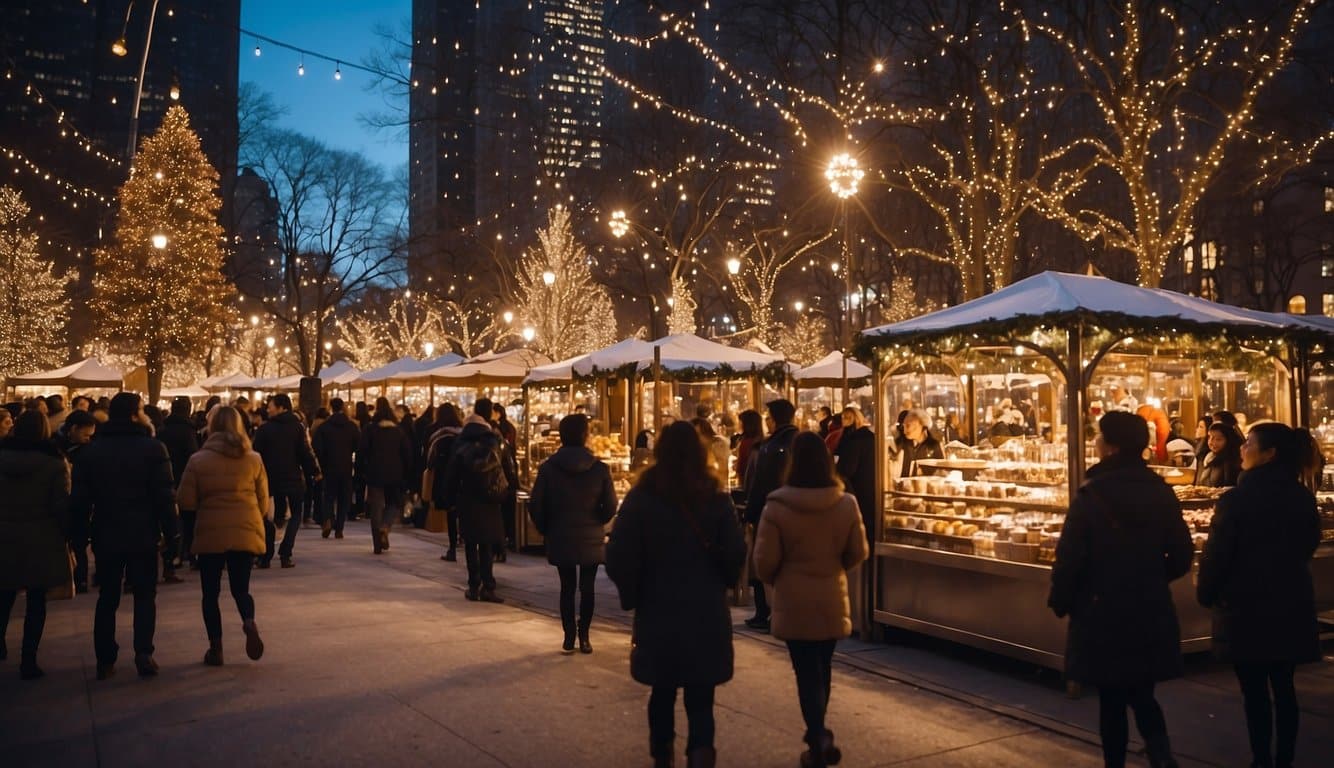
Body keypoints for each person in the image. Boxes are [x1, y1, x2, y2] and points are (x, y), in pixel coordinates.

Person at [1048, 411, 1193, 768]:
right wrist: (1150, 577)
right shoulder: (1160, 489)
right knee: (1143, 693)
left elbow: (1070, 557)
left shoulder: (1091, 493)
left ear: (1110, 446)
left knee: (1111, 698)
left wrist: (1062, 599)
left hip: (1102, 610)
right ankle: (1161, 756)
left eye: (1098, 437)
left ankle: (1115, 762)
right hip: (1149, 605)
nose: (1095, 442)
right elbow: (1182, 553)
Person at [606, 421, 746, 768]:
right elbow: (736, 552)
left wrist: (634, 592)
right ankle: (700, 754)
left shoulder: (642, 497)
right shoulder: (716, 497)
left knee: (663, 690)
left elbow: (617, 554)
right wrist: (723, 582)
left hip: (658, 609)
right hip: (705, 611)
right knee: (701, 696)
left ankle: (662, 753)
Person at [1197, 423, 1321, 768]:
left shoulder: (1236, 500)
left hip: (1245, 606)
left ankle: (1261, 759)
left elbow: (1217, 554)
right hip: (1289, 602)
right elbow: (1308, 545)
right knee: (1284, 687)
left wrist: (1206, 592)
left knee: (1254, 692)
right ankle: (1285, 759)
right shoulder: (1301, 497)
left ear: (1269, 454)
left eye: (1249, 444)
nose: (1242, 448)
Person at [753, 432, 868, 768]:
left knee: (805, 671)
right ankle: (818, 733)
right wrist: (834, 568)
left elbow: (764, 562)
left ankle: (817, 735)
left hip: (794, 600)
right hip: (832, 596)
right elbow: (858, 551)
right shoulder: (846, 503)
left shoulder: (777, 505)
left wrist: (781, 579)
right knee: (824, 666)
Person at [72, 393, 179, 680]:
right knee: (145, 595)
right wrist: (173, 532)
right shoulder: (153, 448)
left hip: (106, 530)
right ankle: (144, 651)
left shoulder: (92, 452)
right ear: (135, 414)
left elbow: (80, 500)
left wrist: (79, 536)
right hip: (143, 532)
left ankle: (105, 658)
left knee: (108, 596)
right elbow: (164, 496)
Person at [175, 406, 267, 667]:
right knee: (241, 589)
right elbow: (262, 500)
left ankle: (216, 648)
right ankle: (248, 621)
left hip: (211, 530)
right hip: (244, 527)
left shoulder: (198, 460)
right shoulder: (254, 459)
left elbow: (186, 501)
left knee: (210, 593)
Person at [529, 414, 618, 654]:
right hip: (591, 535)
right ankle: (585, 636)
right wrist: (598, 522)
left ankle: (569, 636)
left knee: (566, 586)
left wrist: (546, 528)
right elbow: (610, 505)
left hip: (560, 533)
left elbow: (536, 504)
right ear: (585, 435)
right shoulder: (600, 468)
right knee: (587, 587)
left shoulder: (548, 468)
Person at [0, 411, 72, 679]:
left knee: (4, 595)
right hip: (41, 537)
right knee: (36, 601)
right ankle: (28, 659)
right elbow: (61, 505)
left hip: (4, 534)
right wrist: (69, 536)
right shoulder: (54, 463)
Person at [441, 398, 516, 602]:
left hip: (467, 498)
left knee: (470, 543)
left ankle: (473, 586)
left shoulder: (460, 441)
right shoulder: (494, 440)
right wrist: (510, 490)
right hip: (490, 498)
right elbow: (508, 468)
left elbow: (452, 473)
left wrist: (448, 498)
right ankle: (488, 586)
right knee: (487, 544)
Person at [743, 398, 800, 632]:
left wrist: (751, 512)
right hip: (794, 511)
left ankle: (764, 612)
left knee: (763, 562)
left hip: (769, 511)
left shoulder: (769, 446)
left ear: (774, 419)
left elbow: (760, 483)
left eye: (768, 417)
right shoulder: (801, 440)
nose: (766, 421)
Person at [251, 393, 320, 569]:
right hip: (293, 478)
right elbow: (304, 452)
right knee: (296, 515)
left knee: (267, 517)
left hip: (270, 479)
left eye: (271, 405)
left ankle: (265, 556)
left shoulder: (265, 429)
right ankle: (285, 553)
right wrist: (314, 471)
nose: (268, 408)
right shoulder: (297, 428)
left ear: (282, 407)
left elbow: (255, 454)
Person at [357, 397, 415, 555]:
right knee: (393, 504)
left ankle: (377, 544)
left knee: (376, 507)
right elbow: (407, 455)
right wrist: (407, 474)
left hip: (374, 472)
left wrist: (361, 471)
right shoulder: (398, 431)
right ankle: (386, 526)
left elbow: (362, 452)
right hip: (395, 474)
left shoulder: (370, 430)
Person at [158, 397, 199, 581]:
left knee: (170, 521)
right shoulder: (188, 431)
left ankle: (172, 557)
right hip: (184, 479)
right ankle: (188, 554)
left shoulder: (162, 430)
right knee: (188, 521)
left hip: (166, 480)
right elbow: (193, 456)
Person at [55, 409, 97, 592]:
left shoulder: (89, 451)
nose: (89, 438)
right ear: (73, 429)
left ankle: (80, 579)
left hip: (81, 502)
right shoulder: (55, 447)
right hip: (63, 501)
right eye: (86, 434)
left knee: (80, 544)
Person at [311, 397, 360, 540]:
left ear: (330, 408)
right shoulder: (351, 426)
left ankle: (327, 519)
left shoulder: (324, 427)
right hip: (346, 466)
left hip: (329, 466)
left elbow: (317, 447)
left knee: (328, 496)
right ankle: (339, 528)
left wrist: (321, 462)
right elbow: (358, 445)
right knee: (344, 498)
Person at [423, 404, 464, 561]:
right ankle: (464, 538)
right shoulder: (461, 432)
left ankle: (452, 546)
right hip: (461, 476)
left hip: (443, 477)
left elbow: (429, 458)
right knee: (461, 510)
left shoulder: (434, 433)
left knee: (450, 512)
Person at [833, 407, 875, 549]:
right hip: (869, 486)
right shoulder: (868, 437)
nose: (845, 421)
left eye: (848, 418)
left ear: (857, 419)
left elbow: (847, 469)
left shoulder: (852, 439)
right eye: (843, 417)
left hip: (856, 488)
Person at [892, 409, 943, 477]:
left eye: (908, 425)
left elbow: (941, 471)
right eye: (904, 426)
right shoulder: (902, 444)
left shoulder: (934, 446)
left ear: (921, 425)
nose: (904, 431)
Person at [1194, 421, 1242, 488]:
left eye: (1218, 439)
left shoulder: (1231, 461)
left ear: (1228, 441)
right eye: (1210, 437)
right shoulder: (1206, 457)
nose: (1212, 442)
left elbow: (1229, 487)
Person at [733, 410, 763, 489]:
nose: (739, 424)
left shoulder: (746, 442)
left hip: (747, 484)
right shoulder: (762, 440)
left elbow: (741, 467)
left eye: (741, 422)